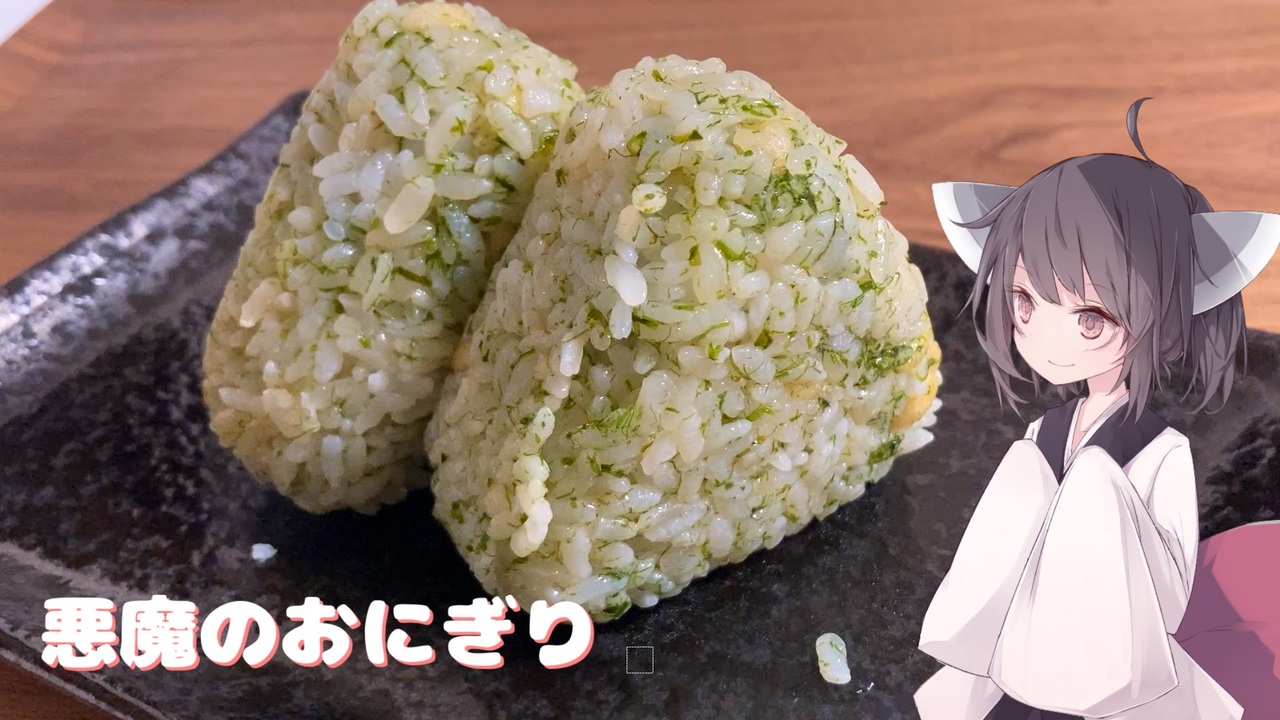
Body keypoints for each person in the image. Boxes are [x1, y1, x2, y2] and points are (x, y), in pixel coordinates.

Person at [914, 98, 1280, 719]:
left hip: (1117, 653)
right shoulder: (1043, 433)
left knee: (1090, 483)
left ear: (1161, 321)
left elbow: (1172, 590)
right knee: (1027, 472)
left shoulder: (1163, 449)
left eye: (1089, 319)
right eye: (1024, 303)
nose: (1046, 338)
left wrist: (1100, 507)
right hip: (1021, 644)